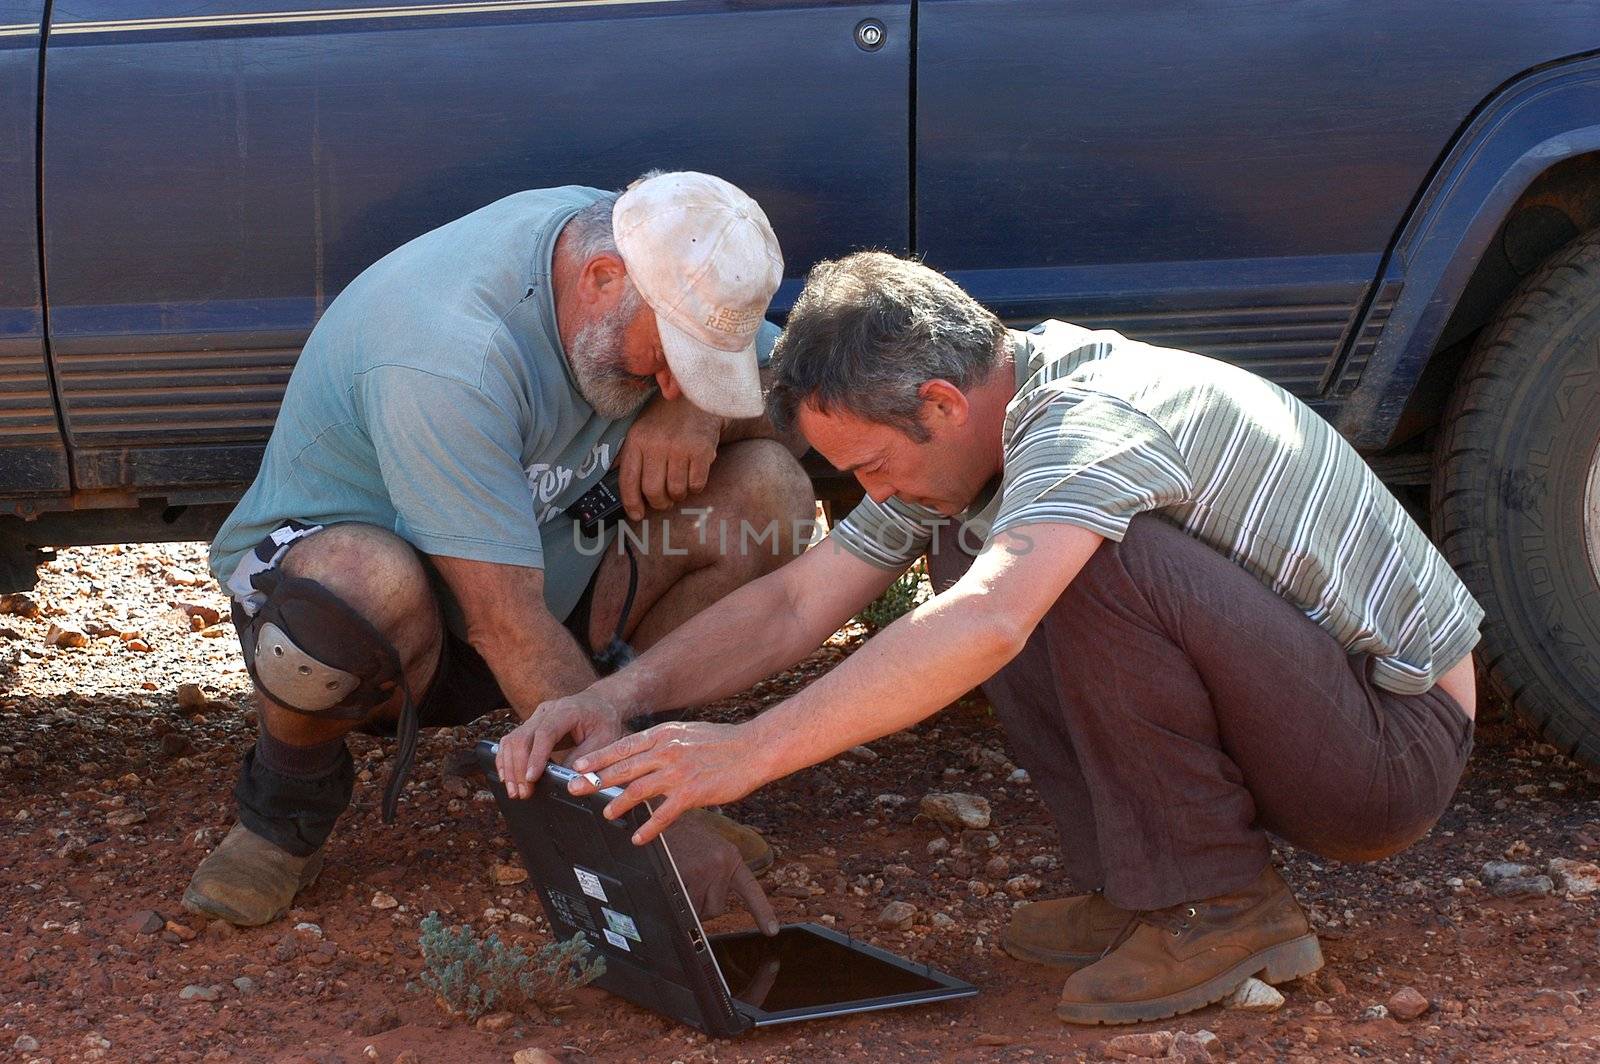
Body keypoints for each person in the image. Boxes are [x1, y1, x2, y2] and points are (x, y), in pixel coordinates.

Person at [503, 251, 1482, 1025]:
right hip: (1318, 709)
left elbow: (990, 617)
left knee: (1077, 564)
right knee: (969, 539)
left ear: (939, 400)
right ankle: (1142, 882)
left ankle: (1220, 907)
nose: (872, 490)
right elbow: (799, 601)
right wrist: (614, 696)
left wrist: (749, 750)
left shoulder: (1080, 422)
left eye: (875, 464)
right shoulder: (985, 423)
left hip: (1390, 742)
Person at [184, 172, 812, 931]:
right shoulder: (447, 351)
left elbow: (801, 403)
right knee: (354, 585)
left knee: (768, 491)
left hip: (551, 572)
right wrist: (657, 827)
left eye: (703, 361)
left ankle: (642, 758)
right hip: (398, 616)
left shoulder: (647, 254)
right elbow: (503, 623)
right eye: (673, 352)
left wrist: (702, 414)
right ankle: (284, 810)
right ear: (602, 280)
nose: (679, 377)